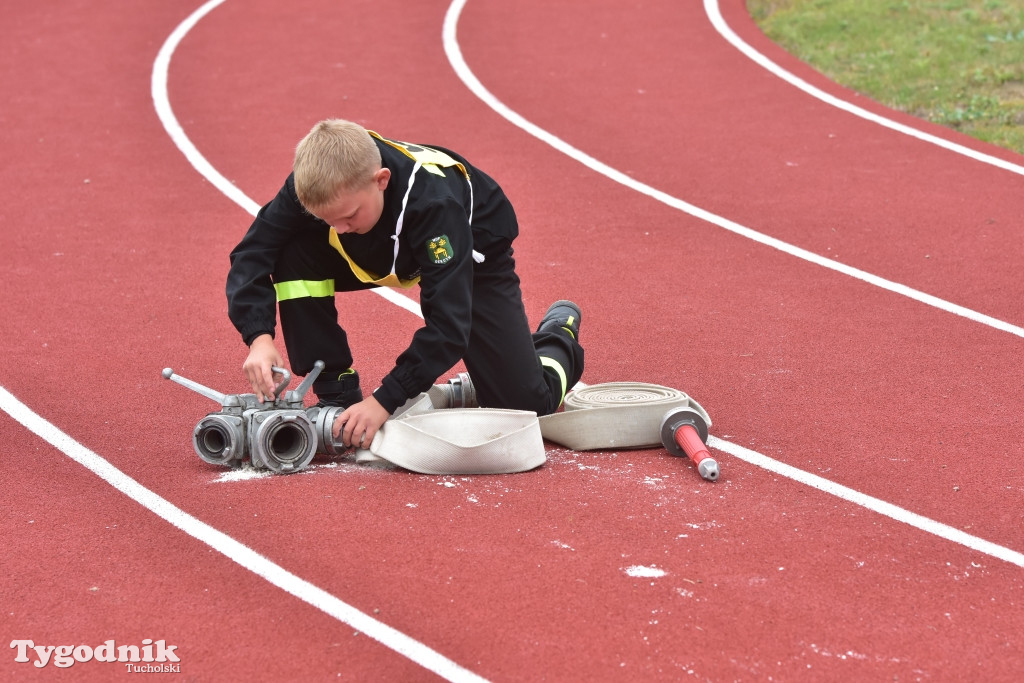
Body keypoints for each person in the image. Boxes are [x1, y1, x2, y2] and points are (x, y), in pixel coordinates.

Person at [225, 119, 585, 450]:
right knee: (292, 252)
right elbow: (253, 251)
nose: (339, 229)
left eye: (348, 216)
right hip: (381, 246)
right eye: (326, 220)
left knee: (525, 409)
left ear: (381, 180)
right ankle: (337, 391)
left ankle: (556, 337)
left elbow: (449, 325)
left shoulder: (435, 204)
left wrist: (385, 400)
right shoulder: (319, 187)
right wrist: (259, 338)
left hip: (468, 248)